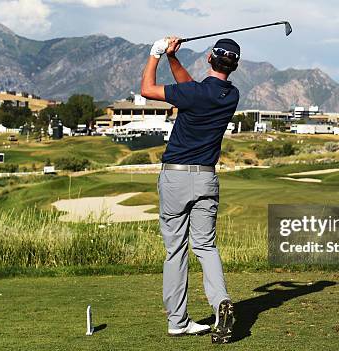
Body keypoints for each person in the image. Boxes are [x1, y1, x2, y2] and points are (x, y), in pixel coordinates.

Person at [140, 36, 241, 344]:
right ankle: (220, 301)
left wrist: (155, 54)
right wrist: (173, 59)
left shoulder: (194, 93)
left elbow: (147, 90)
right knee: (206, 247)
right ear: (232, 66)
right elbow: (190, 89)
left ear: (209, 58)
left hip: (175, 178)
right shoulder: (231, 95)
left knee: (175, 250)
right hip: (207, 178)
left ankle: (177, 321)